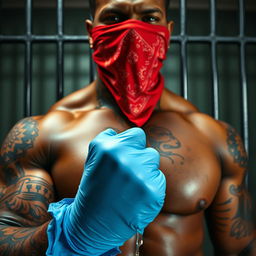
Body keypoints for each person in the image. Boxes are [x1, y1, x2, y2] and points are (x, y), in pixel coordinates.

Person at [0, 0, 255, 255]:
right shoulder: (43, 134)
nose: (133, 31)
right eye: (113, 17)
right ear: (91, 32)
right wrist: (70, 234)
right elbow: (6, 238)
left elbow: (241, 247)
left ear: (168, 30)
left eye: (150, 18)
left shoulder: (214, 136)